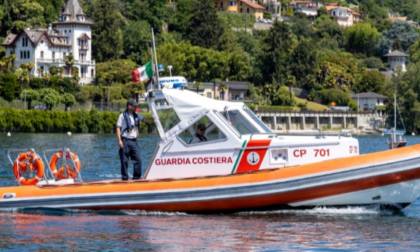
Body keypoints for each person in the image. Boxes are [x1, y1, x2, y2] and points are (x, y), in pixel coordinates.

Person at [116, 99, 154, 180]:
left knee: (138, 160)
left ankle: (136, 178)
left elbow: (145, 120)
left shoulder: (136, 115)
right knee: (124, 161)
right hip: (125, 141)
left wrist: (154, 119)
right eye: (134, 106)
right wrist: (119, 140)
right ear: (129, 106)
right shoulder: (122, 116)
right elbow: (118, 127)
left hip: (133, 141)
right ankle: (125, 179)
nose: (136, 107)